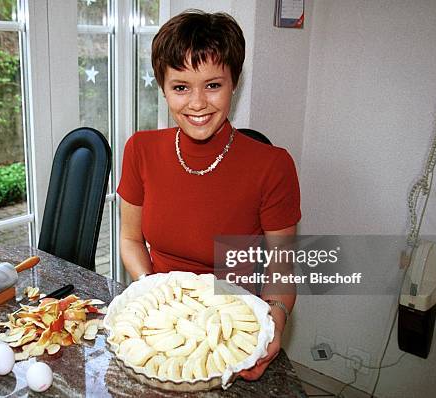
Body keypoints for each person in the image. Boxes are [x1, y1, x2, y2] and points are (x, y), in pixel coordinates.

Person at [117, 9, 301, 380]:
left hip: (232, 327)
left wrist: (275, 323)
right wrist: (153, 293)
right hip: (160, 320)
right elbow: (129, 239)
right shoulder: (140, 149)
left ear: (234, 83)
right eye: (180, 87)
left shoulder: (273, 165)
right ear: (164, 88)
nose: (197, 103)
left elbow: (281, 268)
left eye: (213, 85)